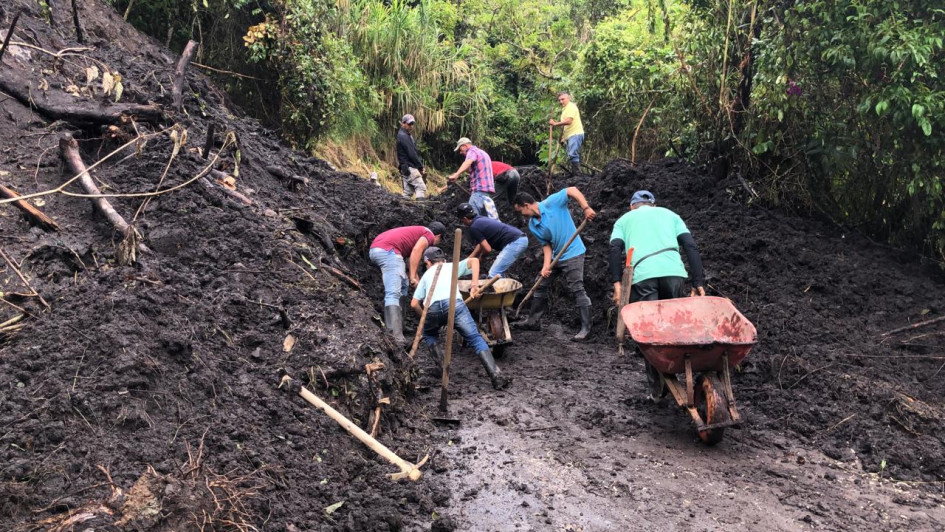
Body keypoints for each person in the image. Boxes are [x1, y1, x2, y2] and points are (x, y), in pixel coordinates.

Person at [411, 247, 512, 389]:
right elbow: (475, 261)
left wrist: (426, 317)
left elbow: (414, 303)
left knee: (429, 335)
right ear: (443, 260)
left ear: (428, 261)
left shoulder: (427, 275)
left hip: (432, 309)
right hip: (455, 305)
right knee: (475, 338)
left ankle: (442, 370)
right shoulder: (451, 267)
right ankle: (496, 376)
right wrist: (474, 286)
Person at [513, 187, 597, 341]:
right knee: (540, 283)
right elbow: (546, 245)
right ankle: (533, 321)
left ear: (526, 205)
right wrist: (546, 266)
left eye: (520, 211)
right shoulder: (533, 224)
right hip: (556, 257)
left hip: (573, 253)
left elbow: (572, 190)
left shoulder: (552, 203)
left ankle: (586, 328)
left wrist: (585, 208)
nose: (521, 216)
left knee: (577, 288)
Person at [608, 190, 706, 305]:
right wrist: (697, 282)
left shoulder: (622, 220)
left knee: (648, 321)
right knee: (672, 318)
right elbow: (691, 246)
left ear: (631, 207)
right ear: (654, 206)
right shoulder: (672, 215)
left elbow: (615, 248)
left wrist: (617, 283)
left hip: (643, 276)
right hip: (673, 273)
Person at [369, 222, 447, 343]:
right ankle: (395, 334)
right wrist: (412, 277)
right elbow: (416, 251)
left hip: (380, 249)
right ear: (438, 236)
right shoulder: (429, 235)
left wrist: (416, 279)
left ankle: (400, 326)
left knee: (403, 285)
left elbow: (413, 258)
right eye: (440, 240)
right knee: (393, 292)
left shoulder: (419, 232)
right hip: (388, 251)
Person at [456, 203, 528, 279]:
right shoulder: (480, 219)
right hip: (520, 238)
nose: (463, 223)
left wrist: (480, 258)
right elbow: (481, 244)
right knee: (498, 273)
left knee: (494, 273)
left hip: (515, 242)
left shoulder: (474, 227)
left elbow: (487, 249)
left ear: (465, 219)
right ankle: (504, 288)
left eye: (462, 221)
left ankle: (503, 290)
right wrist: (468, 259)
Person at [449, 137, 499, 219]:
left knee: (473, 219)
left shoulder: (471, 151)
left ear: (464, 146)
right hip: (487, 193)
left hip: (479, 191)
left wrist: (456, 174)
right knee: (486, 220)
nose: (461, 152)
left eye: (460, 149)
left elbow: (468, 162)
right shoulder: (483, 153)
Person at [549, 91, 584, 175]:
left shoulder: (571, 107)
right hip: (570, 135)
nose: (561, 101)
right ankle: (575, 174)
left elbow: (568, 121)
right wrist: (563, 138)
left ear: (568, 98)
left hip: (575, 134)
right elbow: (565, 126)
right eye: (559, 100)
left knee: (573, 154)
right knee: (571, 154)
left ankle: (577, 175)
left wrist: (555, 124)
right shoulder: (564, 109)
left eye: (563, 99)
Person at [396, 114, 426, 199]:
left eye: (412, 124)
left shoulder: (404, 135)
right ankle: (422, 209)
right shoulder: (404, 136)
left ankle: (402, 210)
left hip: (405, 168)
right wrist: (420, 167)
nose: (411, 126)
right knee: (421, 187)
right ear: (403, 123)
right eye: (409, 124)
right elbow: (412, 153)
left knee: (408, 192)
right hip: (409, 167)